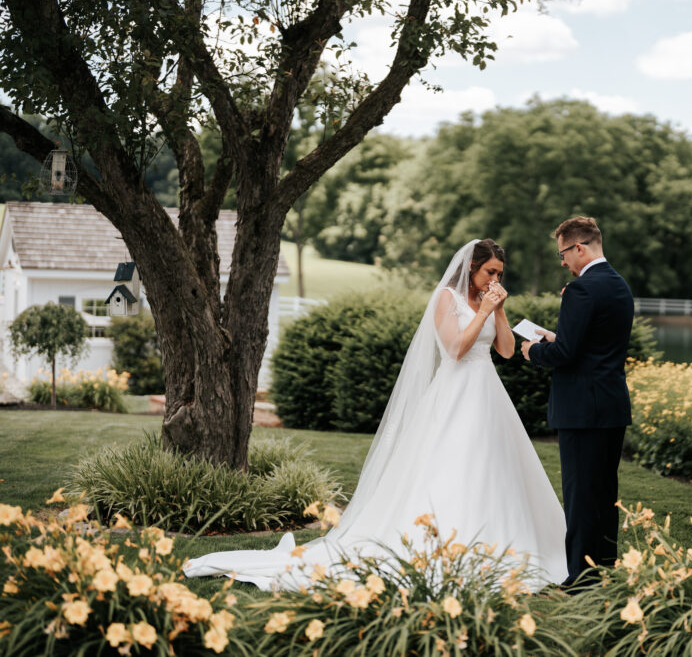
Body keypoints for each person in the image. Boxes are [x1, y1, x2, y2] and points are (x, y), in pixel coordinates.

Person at [184, 239, 568, 591]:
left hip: (487, 394)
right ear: (472, 268)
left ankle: (499, 539)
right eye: (490, 272)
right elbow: (454, 349)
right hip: (455, 393)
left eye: (500, 274)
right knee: (454, 466)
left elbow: (503, 351)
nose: (495, 278)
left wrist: (497, 311)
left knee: (493, 466)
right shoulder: (446, 299)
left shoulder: (489, 302)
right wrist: (482, 311)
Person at [520, 217, 633, 588]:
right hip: (611, 406)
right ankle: (604, 568)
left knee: (581, 496)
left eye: (563, 254)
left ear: (579, 248)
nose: (563, 263)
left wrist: (534, 351)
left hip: (583, 410)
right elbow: (594, 346)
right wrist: (557, 336)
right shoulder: (619, 285)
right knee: (604, 494)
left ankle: (581, 579)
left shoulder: (581, 290)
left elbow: (566, 355)